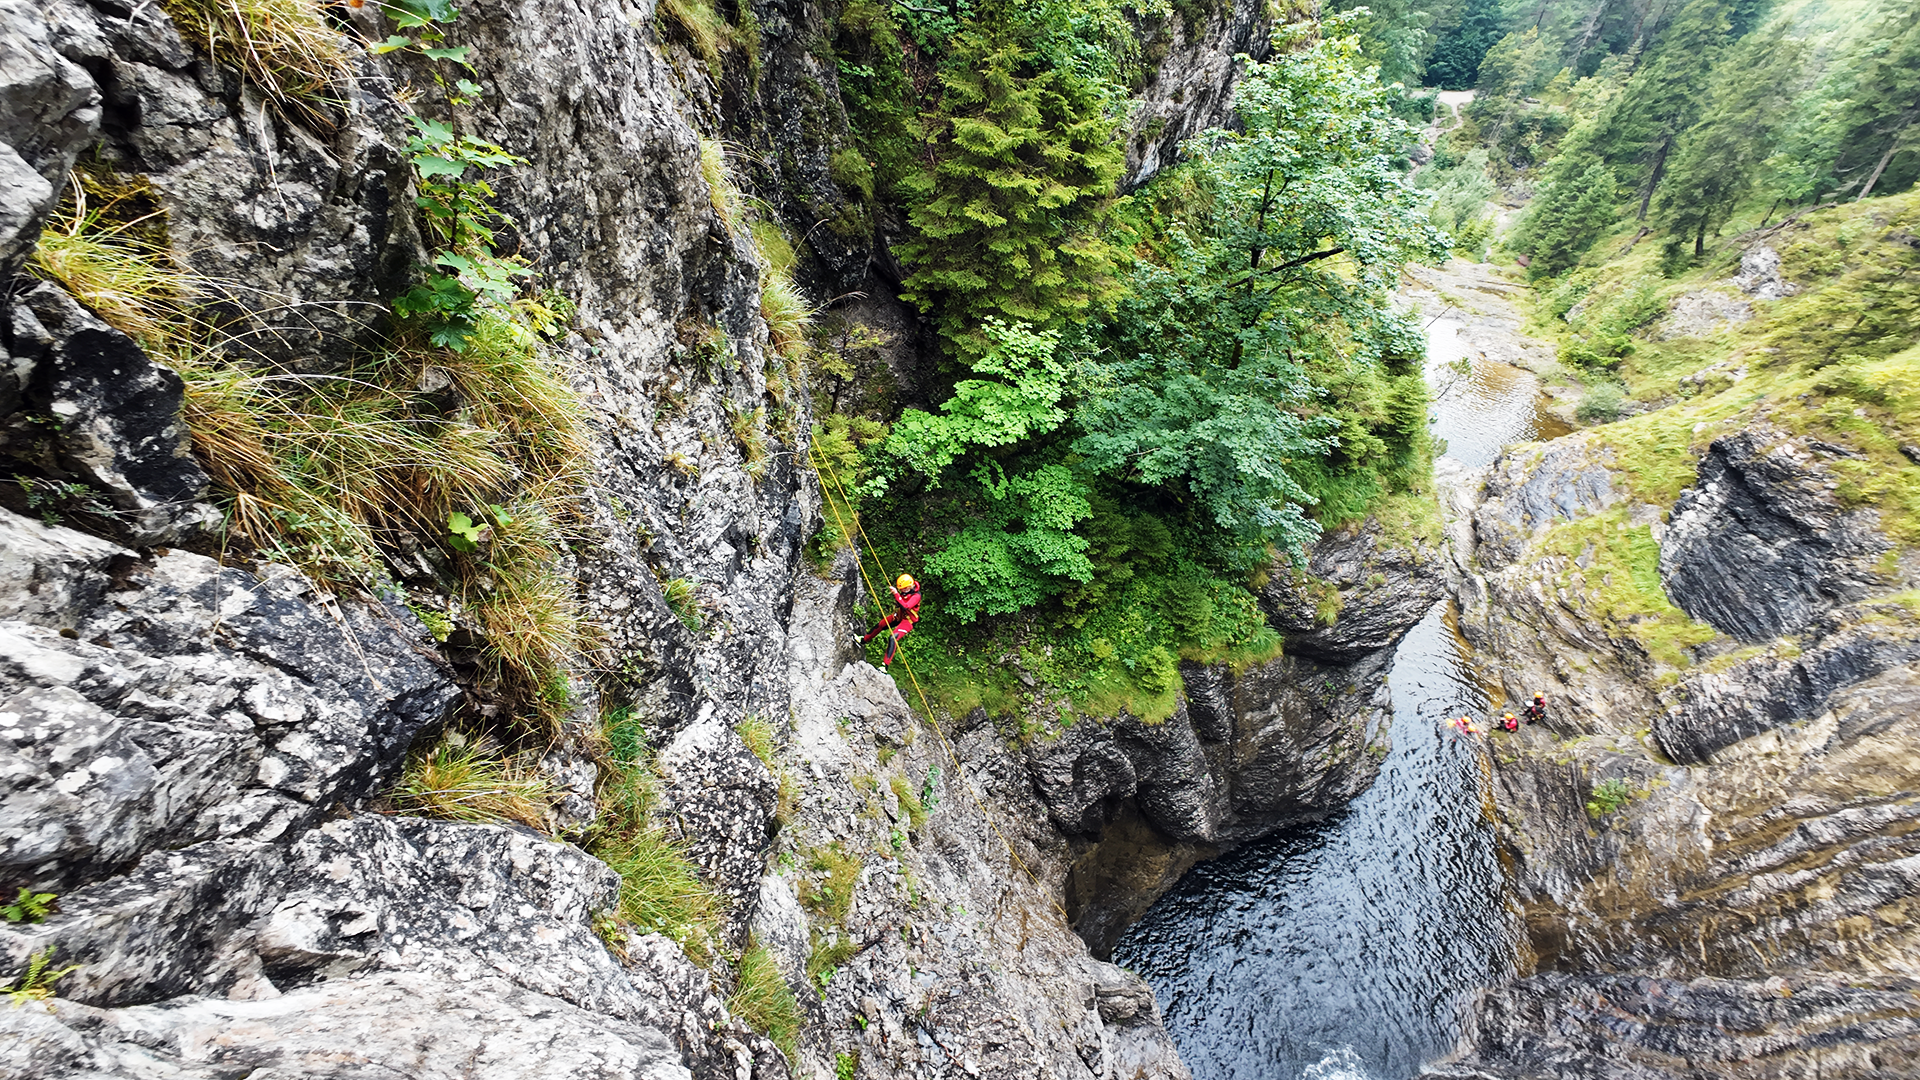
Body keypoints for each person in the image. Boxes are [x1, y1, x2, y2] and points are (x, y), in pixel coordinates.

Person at [861, 574, 922, 667]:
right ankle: (863, 640)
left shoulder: (916, 596)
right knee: (881, 624)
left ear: (910, 586)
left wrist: (896, 594)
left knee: (893, 638)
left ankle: (885, 665)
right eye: (901, 589)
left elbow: (906, 606)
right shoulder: (906, 592)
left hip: (908, 621)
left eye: (904, 589)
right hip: (899, 616)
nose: (902, 591)